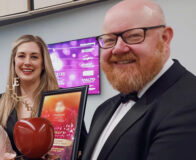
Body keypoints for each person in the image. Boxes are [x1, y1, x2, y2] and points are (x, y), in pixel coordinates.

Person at [81, 0, 196, 160]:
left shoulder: (190, 103)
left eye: (134, 36)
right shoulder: (103, 110)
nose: (118, 49)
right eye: (109, 40)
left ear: (165, 38)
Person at [0, 34, 88, 157]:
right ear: (14, 62)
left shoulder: (63, 99)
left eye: (34, 57)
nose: (27, 62)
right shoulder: (0, 102)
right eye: (21, 56)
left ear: (43, 64)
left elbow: (83, 147)